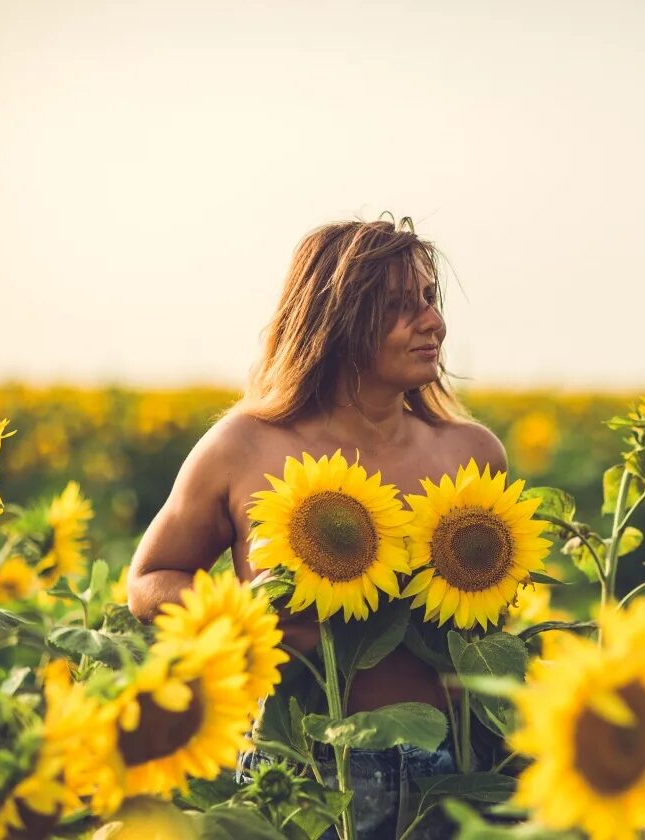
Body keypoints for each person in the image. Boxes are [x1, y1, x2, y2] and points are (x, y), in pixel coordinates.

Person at [126, 215, 506, 838]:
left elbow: (492, 614)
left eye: (430, 300)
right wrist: (247, 611)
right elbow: (149, 581)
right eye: (399, 307)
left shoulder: (470, 453)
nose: (432, 322)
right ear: (337, 321)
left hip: (452, 770)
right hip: (302, 768)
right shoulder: (243, 448)